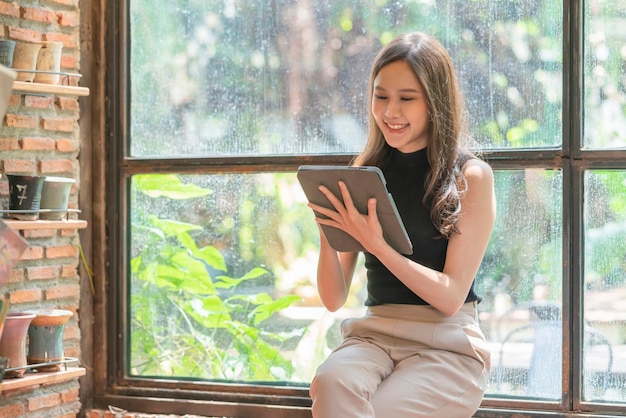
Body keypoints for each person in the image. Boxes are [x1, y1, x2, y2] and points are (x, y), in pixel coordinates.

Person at [307, 32, 496, 418]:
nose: (390, 112)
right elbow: (333, 299)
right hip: (373, 335)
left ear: (435, 102)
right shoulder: (362, 174)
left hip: (445, 342)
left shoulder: (470, 176)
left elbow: (449, 297)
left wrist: (378, 246)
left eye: (406, 99)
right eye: (381, 96)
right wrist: (329, 233)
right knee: (330, 383)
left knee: (381, 410)